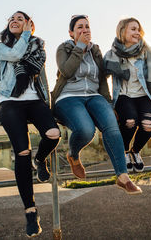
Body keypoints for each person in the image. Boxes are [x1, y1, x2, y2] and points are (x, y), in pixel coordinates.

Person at [51, 15, 142, 194]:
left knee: (111, 125)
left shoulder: (96, 50)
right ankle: (73, 155)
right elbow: (67, 71)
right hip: (68, 96)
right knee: (86, 130)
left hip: (94, 95)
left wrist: (109, 104)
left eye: (87, 27)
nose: (85, 30)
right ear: (71, 32)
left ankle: (123, 177)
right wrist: (80, 47)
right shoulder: (64, 48)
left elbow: (101, 79)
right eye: (79, 27)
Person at [0, 11, 60, 237]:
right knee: (22, 151)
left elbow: (40, 72)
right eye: (11, 19)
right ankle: (31, 211)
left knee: (53, 134)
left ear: (30, 25)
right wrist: (25, 35)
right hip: (10, 102)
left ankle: (40, 159)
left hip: (34, 100)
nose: (14, 21)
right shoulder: (1, 47)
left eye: (20, 19)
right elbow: (14, 56)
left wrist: (29, 37)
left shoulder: (38, 48)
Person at [104, 17, 151, 173]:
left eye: (138, 29)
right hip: (124, 96)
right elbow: (101, 79)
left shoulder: (147, 52)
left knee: (148, 124)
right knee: (130, 121)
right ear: (122, 31)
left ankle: (135, 151)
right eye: (133, 29)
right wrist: (107, 103)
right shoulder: (111, 54)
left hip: (145, 96)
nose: (137, 32)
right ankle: (125, 151)